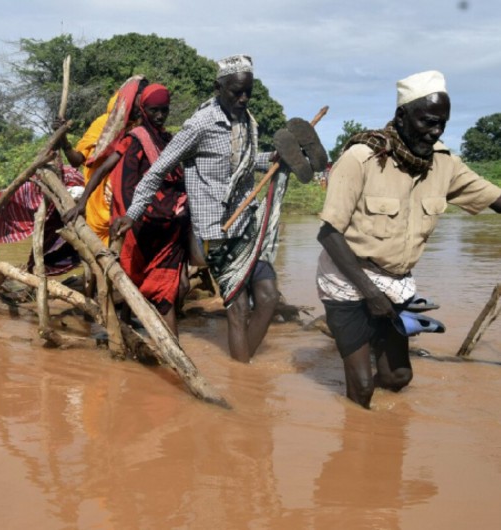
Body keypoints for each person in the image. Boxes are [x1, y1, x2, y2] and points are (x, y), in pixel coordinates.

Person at [112, 54, 323, 362]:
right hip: (215, 232)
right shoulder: (200, 125)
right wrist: (132, 214)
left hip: (246, 226)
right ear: (218, 87)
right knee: (237, 309)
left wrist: (277, 159)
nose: (243, 97)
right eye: (236, 91)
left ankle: (244, 375)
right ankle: (243, 380)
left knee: (267, 299)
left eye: (248, 91)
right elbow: (158, 170)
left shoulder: (247, 122)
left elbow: (246, 165)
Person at [316, 70, 501, 409]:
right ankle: (356, 440)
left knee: (397, 378)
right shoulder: (362, 158)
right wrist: (370, 294)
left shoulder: (444, 164)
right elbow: (328, 234)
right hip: (346, 276)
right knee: (361, 388)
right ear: (401, 116)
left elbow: (495, 198)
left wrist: (382, 294)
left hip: (395, 282)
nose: (435, 132)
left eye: (442, 124)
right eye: (428, 122)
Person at [103, 83, 189, 335]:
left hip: (169, 224)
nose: (160, 115)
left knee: (167, 291)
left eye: (165, 110)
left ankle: (170, 350)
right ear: (143, 109)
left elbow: (179, 176)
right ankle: (127, 325)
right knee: (133, 276)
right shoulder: (135, 139)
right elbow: (118, 175)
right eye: (155, 110)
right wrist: (83, 199)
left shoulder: (169, 140)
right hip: (139, 222)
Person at [59, 76, 148, 245]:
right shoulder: (103, 124)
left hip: (129, 204)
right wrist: (63, 138)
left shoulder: (144, 127)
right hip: (98, 202)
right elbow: (76, 160)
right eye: (139, 99)